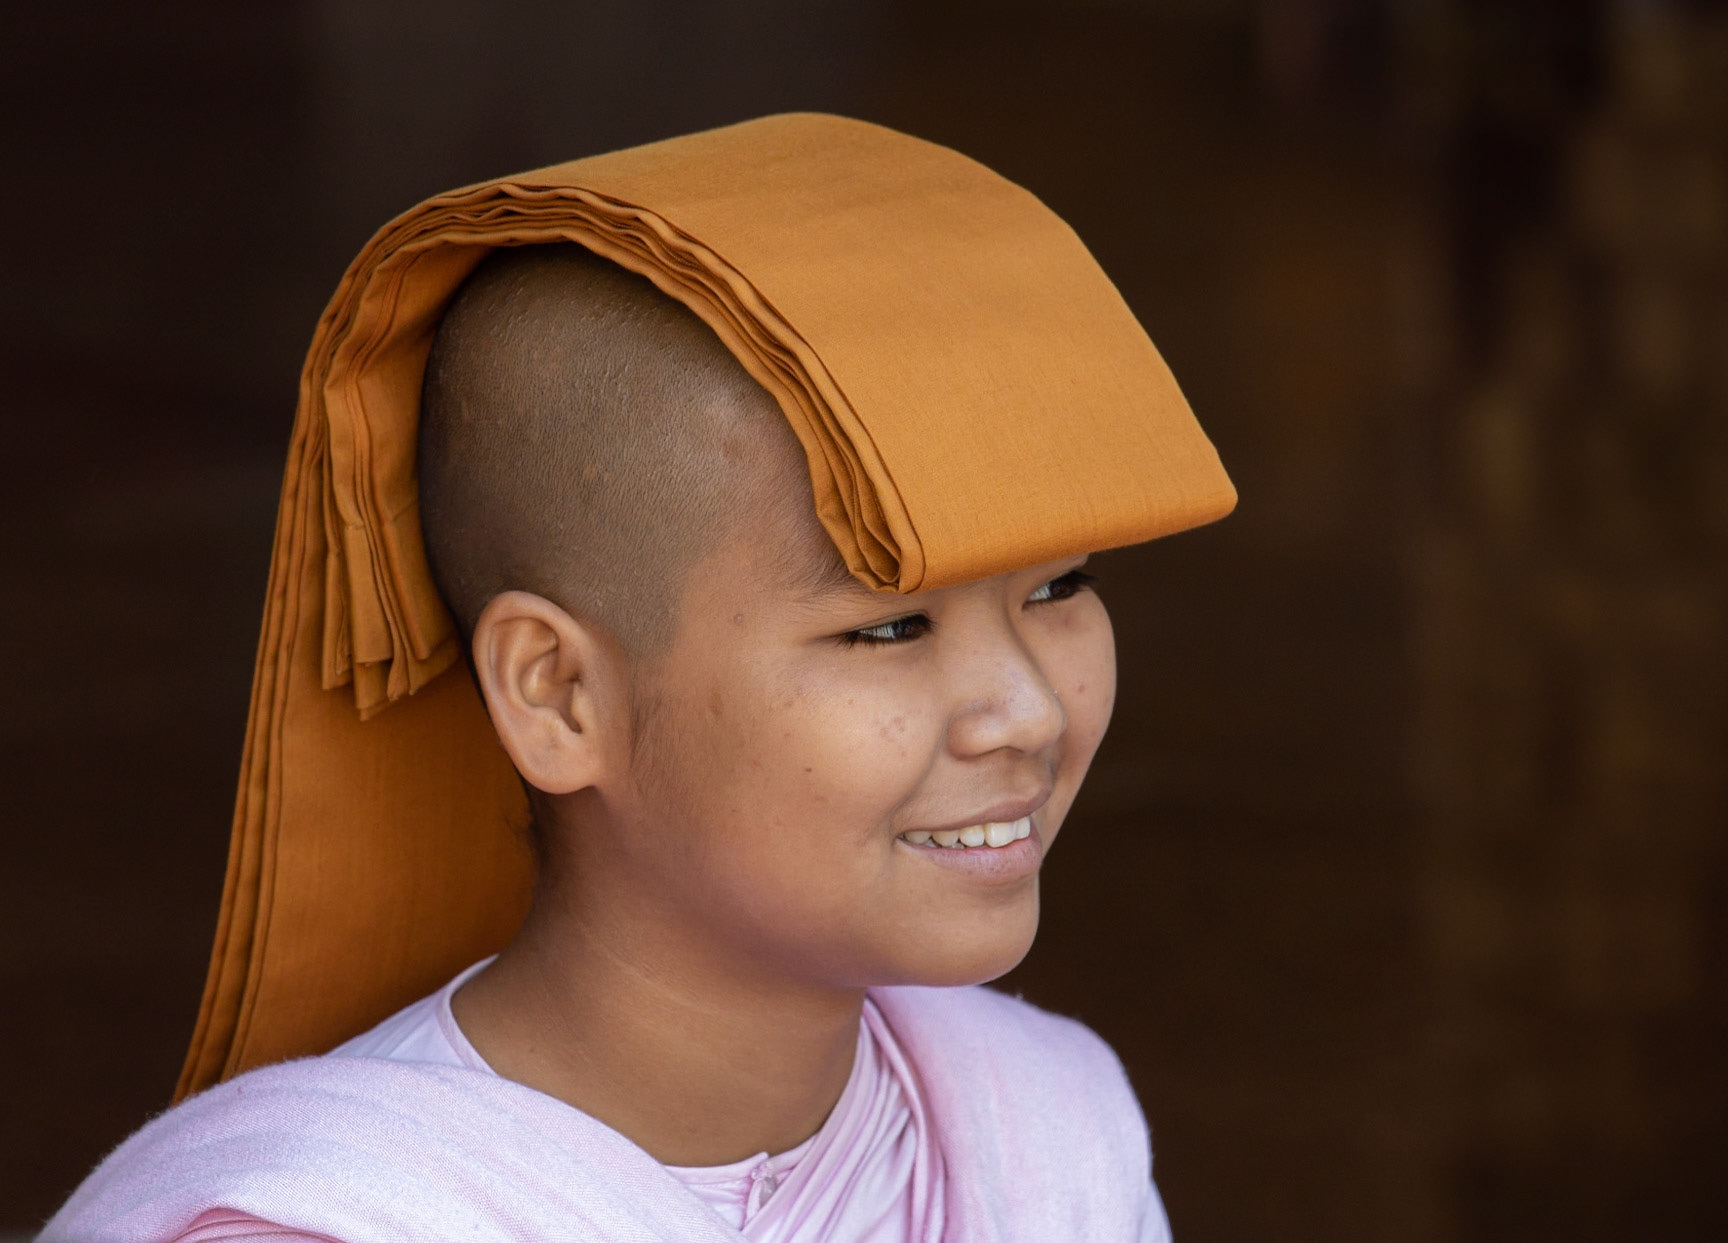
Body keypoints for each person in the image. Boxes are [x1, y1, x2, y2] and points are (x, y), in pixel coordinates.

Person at [40, 113, 1234, 1243]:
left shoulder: (1047, 1134)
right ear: (559, 694)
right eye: (888, 630)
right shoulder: (336, 1220)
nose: (1026, 710)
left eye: (1060, 588)